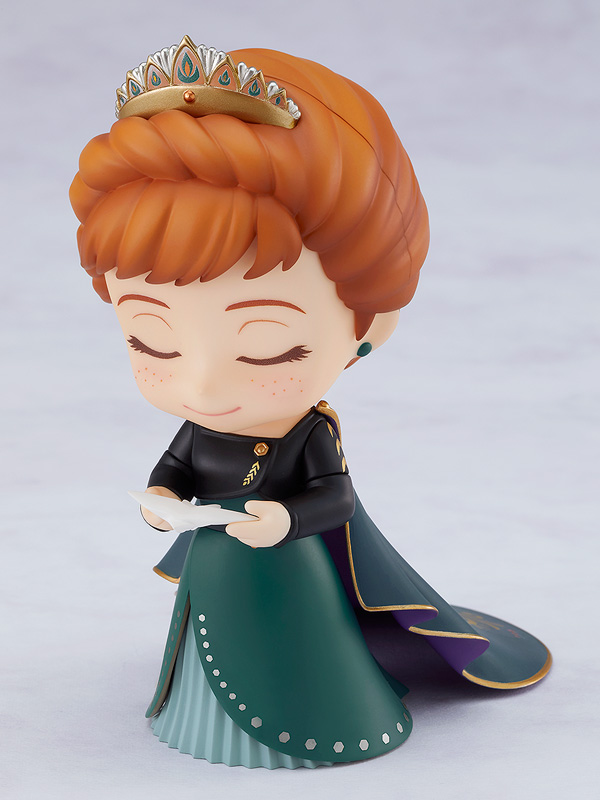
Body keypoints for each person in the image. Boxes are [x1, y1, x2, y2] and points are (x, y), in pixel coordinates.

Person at [70, 37, 551, 768]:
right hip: (215, 564)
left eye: (268, 349)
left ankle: (322, 721)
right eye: (151, 342)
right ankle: (194, 714)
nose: (202, 387)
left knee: (299, 652)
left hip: (291, 569)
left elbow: (336, 498)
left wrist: (286, 519)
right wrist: (162, 496)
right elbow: (176, 464)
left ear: (369, 327)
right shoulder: (201, 425)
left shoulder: (308, 434)